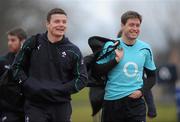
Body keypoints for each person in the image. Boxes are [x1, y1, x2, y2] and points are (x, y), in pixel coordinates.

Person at [12, 8, 88, 122]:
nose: (61, 25)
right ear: (47, 24)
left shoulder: (73, 51)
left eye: (64, 22)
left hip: (61, 106)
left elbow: (82, 79)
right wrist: (28, 84)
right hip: (35, 105)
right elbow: (16, 67)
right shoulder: (33, 42)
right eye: (57, 21)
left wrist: (62, 89)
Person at [94, 10, 156, 122]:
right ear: (122, 26)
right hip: (112, 102)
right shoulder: (111, 46)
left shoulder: (145, 48)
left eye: (138, 25)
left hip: (136, 104)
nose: (135, 28)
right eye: (131, 25)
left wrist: (141, 91)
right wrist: (116, 60)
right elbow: (97, 71)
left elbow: (152, 77)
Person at [0, 28, 27, 122]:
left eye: (13, 40)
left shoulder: (31, 61)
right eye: (8, 40)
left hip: (28, 110)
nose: (9, 43)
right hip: (8, 112)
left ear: (23, 41)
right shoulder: (3, 61)